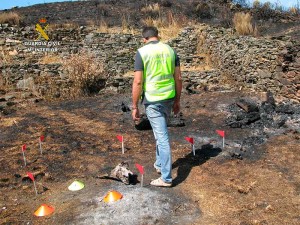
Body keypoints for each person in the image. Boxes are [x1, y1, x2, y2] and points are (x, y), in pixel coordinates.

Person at [132, 26, 182, 187]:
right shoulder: (170, 50)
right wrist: (177, 101)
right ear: (157, 36)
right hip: (169, 97)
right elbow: (178, 78)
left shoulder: (142, 52)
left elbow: (138, 81)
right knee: (160, 132)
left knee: (162, 137)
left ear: (144, 39)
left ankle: (166, 178)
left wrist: (134, 106)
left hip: (153, 100)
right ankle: (160, 164)